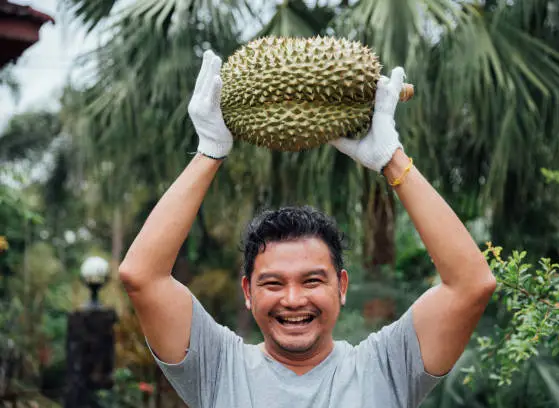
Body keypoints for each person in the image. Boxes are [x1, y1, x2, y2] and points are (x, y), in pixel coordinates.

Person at [118, 50, 497, 408]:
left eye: (312, 280)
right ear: (248, 291)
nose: (294, 299)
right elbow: (142, 276)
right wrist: (210, 152)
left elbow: (470, 285)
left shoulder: (387, 367)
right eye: (273, 283)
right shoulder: (217, 366)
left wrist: (392, 160)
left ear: (342, 286)